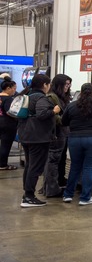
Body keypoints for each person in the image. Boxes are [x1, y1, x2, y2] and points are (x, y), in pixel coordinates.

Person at [17, 73, 60, 207]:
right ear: (44, 85)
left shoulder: (28, 95)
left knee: (30, 165)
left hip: (26, 135)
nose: (49, 87)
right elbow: (42, 114)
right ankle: (29, 197)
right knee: (35, 167)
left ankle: (27, 194)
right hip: (37, 138)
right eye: (49, 84)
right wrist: (54, 111)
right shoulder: (41, 98)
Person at [40, 74, 71, 197]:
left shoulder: (62, 97)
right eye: (66, 84)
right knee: (52, 161)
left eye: (69, 85)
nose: (67, 87)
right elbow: (53, 117)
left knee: (58, 161)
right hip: (56, 134)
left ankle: (52, 186)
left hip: (61, 133)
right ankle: (51, 189)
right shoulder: (52, 97)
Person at [0, 76, 19, 171]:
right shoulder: (9, 99)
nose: (14, 91)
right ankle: (3, 164)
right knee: (5, 145)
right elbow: (9, 112)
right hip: (8, 125)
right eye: (14, 89)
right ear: (8, 88)